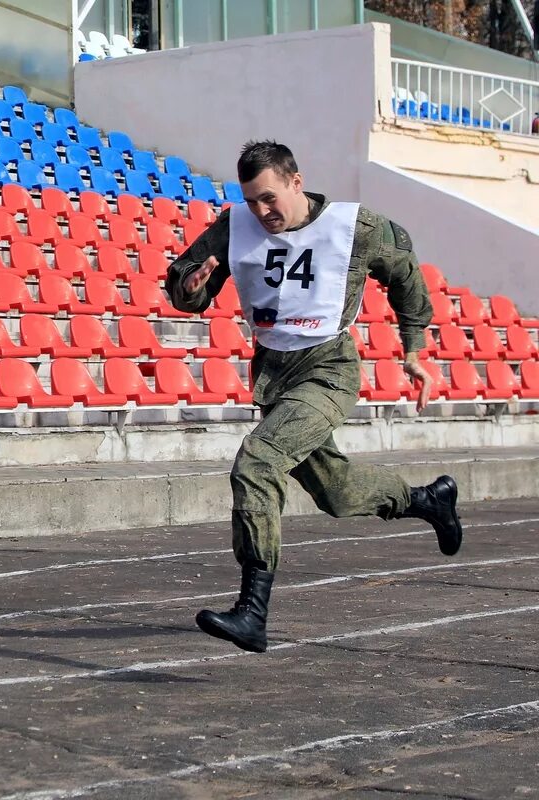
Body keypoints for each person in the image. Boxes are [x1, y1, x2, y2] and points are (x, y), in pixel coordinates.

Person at [166, 140, 463, 653]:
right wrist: (190, 287)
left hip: (327, 370)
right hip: (273, 374)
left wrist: (414, 348)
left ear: (296, 182)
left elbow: (406, 275)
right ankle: (428, 500)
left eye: (270, 198)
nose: (262, 212)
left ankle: (252, 611)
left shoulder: (356, 227)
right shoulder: (233, 224)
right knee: (338, 493)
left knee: (257, 464)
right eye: (252, 201)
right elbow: (182, 287)